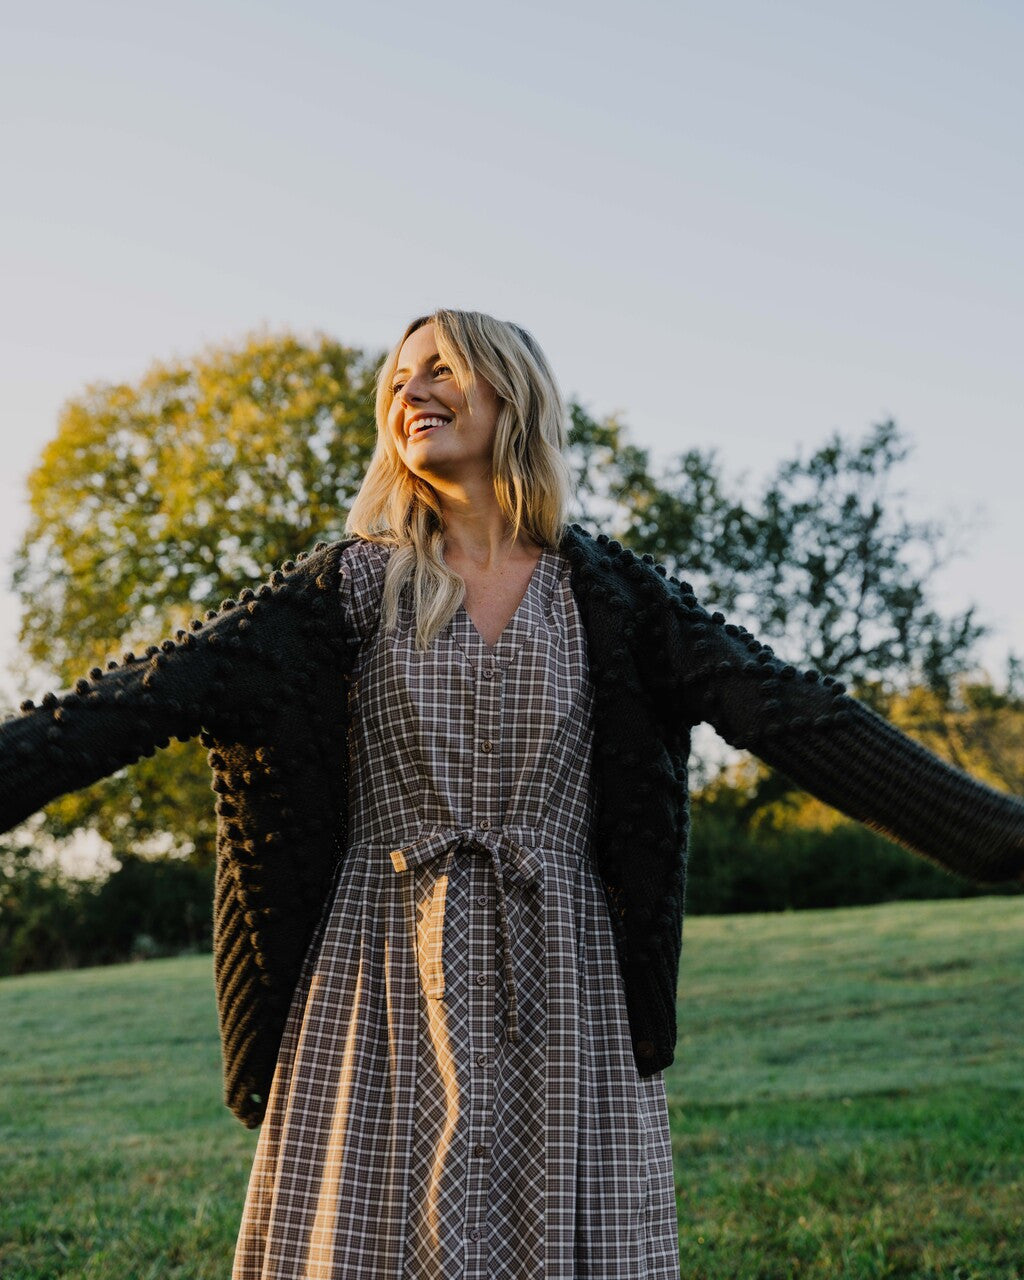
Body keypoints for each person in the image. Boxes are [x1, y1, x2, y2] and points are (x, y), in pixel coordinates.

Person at [1, 308, 1022, 1280]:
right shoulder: (337, 590)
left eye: (440, 364)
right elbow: (124, 705)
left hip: (569, 968)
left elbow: (797, 719)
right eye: (397, 377)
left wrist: (1001, 839)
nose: (413, 387)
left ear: (514, 392)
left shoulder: (613, 595)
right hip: (375, 967)